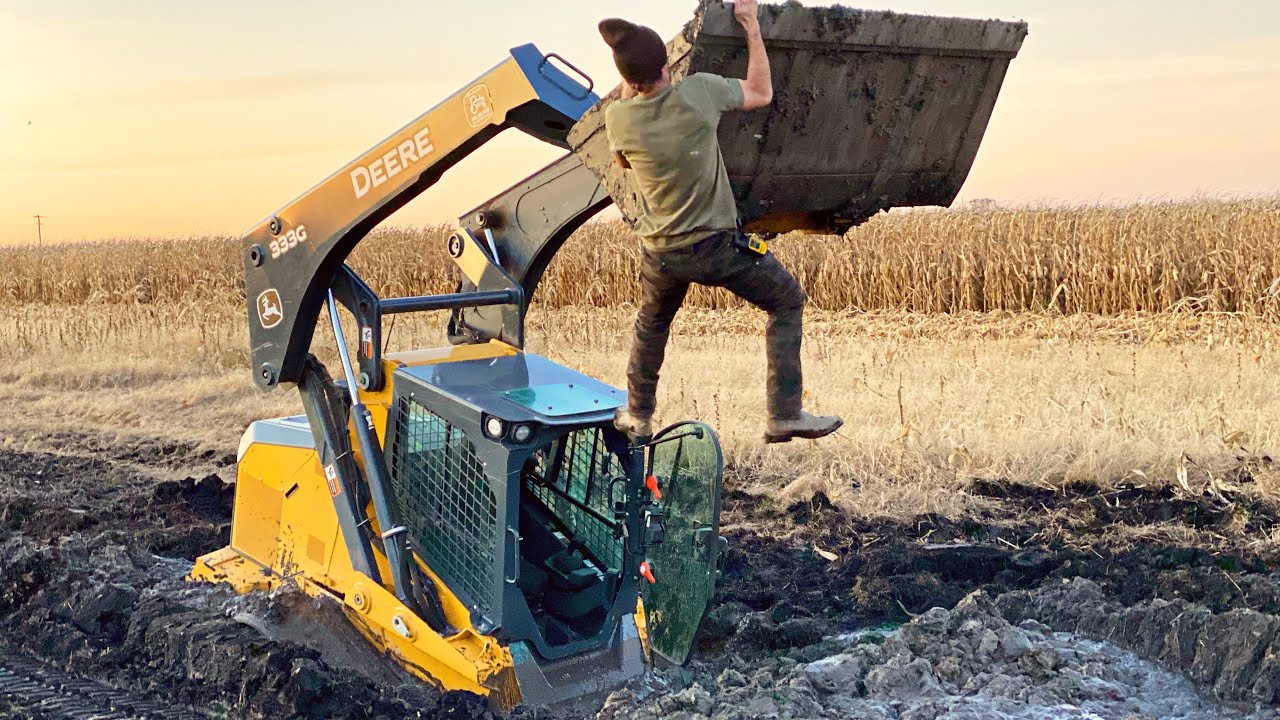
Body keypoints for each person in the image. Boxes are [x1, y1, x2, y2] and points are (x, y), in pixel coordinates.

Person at [600, 0, 843, 444]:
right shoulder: (699, 93)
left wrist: (631, 80)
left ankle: (637, 415)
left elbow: (623, 159)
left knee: (652, 324)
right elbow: (761, 92)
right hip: (715, 248)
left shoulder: (617, 119)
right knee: (786, 301)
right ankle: (784, 414)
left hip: (661, 252)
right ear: (667, 67)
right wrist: (750, 26)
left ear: (629, 77)